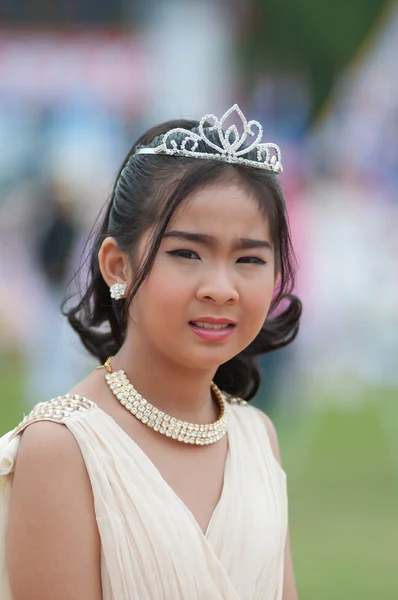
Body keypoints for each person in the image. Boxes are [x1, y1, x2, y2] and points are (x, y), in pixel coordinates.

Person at [0, 104, 301, 600]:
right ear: (118, 265)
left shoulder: (256, 436)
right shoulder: (63, 448)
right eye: (186, 253)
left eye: (249, 258)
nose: (221, 288)